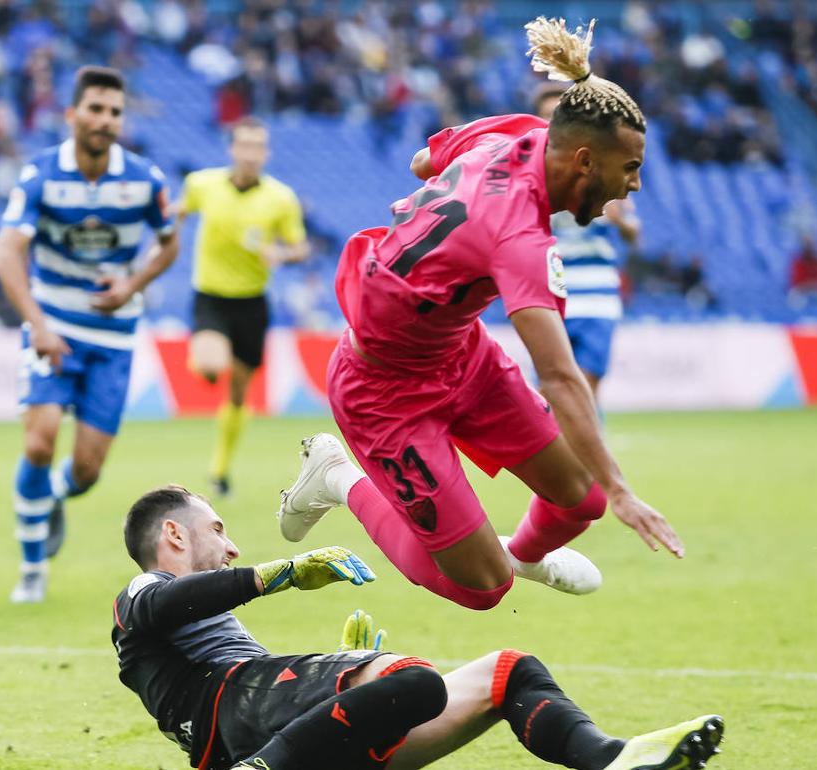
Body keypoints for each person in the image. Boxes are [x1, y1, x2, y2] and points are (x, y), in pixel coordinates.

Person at [276, 17, 685, 611]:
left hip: (459, 354)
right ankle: (338, 477)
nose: (636, 184)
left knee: (580, 498)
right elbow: (561, 376)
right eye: (630, 169)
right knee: (483, 589)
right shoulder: (519, 235)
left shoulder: (516, 132)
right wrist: (625, 492)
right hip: (384, 392)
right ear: (585, 161)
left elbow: (423, 160)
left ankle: (520, 557)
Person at [113, 484, 725, 770]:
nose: (232, 543)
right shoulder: (143, 591)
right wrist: (285, 573)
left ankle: (613, 759)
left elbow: (250, 687)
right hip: (244, 728)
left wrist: (342, 677)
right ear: (173, 534)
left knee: (508, 673)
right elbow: (165, 608)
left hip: (269, 728)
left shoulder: (210, 642)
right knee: (416, 682)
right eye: (217, 529)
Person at [0, 65, 179, 603]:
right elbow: (8, 252)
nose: (105, 120)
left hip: (115, 335)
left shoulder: (145, 179)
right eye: (95, 109)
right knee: (39, 440)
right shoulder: (41, 175)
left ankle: (51, 498)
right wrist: (38, 323)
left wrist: (132, 283)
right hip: (54, 325)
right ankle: (32, 569)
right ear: (72, 114)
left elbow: (167, 244)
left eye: (115, 112)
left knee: (88, 469)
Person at [176, 116, 310, 499]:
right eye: (245, 145)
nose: (251, 154)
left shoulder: (280, 198)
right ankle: (204, 362)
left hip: (252, 302)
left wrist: (281, 254)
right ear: (232, 148)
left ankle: (219, 470)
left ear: (265, 152)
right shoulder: (202, 184)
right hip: (211, 296)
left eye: (258, 147)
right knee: (211, 364)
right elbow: (179, 210)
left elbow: (299, 247)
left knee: (238, 392)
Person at [534, 84, 640, 397]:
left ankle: (585, 444)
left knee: (586, 386)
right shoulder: (530, 170)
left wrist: (618, 218)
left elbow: (634, 235)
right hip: (550, 293)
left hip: (596, 296)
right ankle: (569, 444)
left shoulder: (608, 167)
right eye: (545, 116)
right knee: (550, 389)